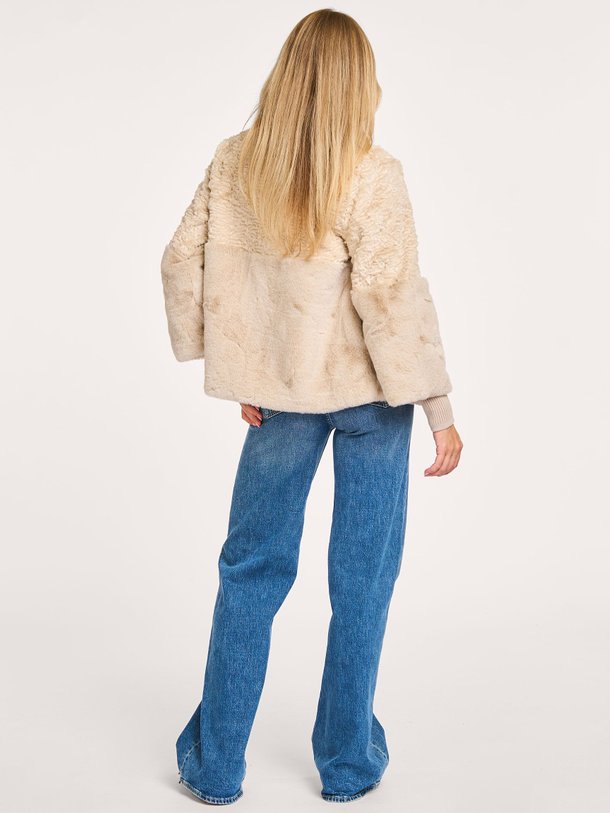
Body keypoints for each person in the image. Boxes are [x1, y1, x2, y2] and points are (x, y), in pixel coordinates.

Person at [160, 8, 463, 806]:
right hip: (373, 401)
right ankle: (347, 763)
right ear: (360, 83)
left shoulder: (235, 162)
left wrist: (239, 367)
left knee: (250, 570)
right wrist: (439, 410)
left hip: (282, 400)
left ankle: (215, 767)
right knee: (363, 581)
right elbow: (393, 299)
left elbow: (181, 260)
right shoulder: (372, 171)